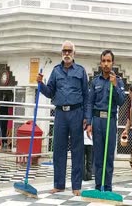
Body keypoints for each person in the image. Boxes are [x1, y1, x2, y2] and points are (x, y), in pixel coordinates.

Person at [37, 40, 89, 196]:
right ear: (62, 53)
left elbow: (86, 96)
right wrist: (40, 84)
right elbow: (49, 92)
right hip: (60, 114)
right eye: (64, 51)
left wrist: (86, 116)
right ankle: (59, 184)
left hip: (76, 113)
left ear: (74, 53)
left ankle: (76, 186)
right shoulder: (56, 71)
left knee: (77, 151)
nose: (66, 54)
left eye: (69, 51)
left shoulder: (80, 71)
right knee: (58, 150)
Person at [86, 49, 125, 192]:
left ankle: (107, 187)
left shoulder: (118, 81)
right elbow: (90, 103)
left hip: (110, 120)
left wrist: (114, 86)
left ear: (113, 63)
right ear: (101, 63)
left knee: (108, 156)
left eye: (109, 61)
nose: (106, 64)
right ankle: (98, 186)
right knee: (98, 155)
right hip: (97, 120)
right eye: (104, 61)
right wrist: (89, 123)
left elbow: (121, 101)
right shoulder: (95, 81)